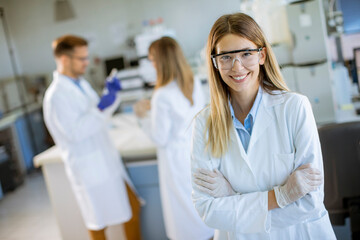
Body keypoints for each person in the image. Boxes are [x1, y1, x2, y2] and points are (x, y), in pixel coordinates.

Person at [191, 13, 336, 239]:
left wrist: (232, 197)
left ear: (262, 55)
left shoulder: (295, 107)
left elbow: (310, 202)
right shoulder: (204, 124)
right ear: (215, 63)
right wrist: (280, 197)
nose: (237, 67)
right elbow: (208, 210)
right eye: (226, 57)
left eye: (246, 53)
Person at [43, 35, 141, 240]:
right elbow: (76, 132)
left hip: (105, 161)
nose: (87, 63)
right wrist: (101, 107)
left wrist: (111, 96)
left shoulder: (82, 84)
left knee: (131, 209)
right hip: (88, 168)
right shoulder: (56, 95)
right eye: (82, 59)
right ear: (64, 59)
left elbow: (100, 115)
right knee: (98, 223)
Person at [134, 36, 214, 240]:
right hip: (196, 153)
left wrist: (142, 117)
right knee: (200, 209)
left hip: (175, 161)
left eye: (152, 60)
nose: (151, 65)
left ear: (160, 61)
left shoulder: (162, 94)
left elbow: (159, 138)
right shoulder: (193, 81)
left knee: (184, 217)